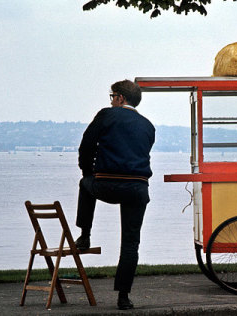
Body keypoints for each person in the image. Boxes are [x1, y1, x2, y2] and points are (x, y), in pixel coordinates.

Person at [74, 79, 155, 310]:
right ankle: (123, 297)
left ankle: (85, 234)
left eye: (112, 97)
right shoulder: (148, 126)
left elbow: (86, 146)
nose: (111, 101)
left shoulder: (107, 115)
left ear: (120, 97)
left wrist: (88, 172)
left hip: (107, 184)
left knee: (84, 184)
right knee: (131, 243)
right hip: (137, 187)